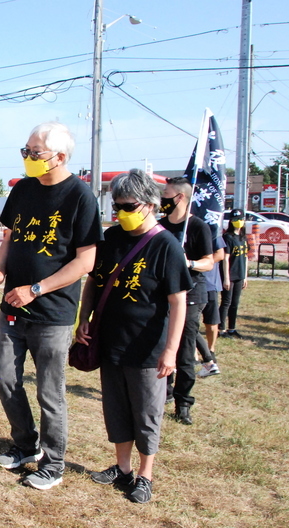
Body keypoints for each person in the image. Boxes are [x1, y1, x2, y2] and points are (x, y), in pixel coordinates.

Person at [0, 122, 102, 490]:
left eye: (36, 153)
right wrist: (0, 271)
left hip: (53, 313)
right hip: (12, 307)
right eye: (26, 151)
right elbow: (10, 238)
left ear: (60, 157)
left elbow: (86, 262)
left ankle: (54, 461)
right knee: (4, 378)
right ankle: (25, 444)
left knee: (49, 391)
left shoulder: (80, 197)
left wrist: (36, 289)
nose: (28, 158)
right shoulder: (23, 190)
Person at [76, 169, 191, 504]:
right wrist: (84, 319)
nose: (120, 212)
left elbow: (178, 301)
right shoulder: (111, 240)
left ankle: (145, 475)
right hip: (110, 342)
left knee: (147, 413)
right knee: (116, 410)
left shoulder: (166, 246)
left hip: (147, 348)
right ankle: (122, 468)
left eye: (128, 206)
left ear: (150, 205)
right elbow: (94, 281)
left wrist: (170, 351)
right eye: (116, 205)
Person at [159, 176, 213, 425]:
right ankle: (163, 393)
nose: (162, 200)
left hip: (190, 295)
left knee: (183, 351)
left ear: (180, 197)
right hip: (161, 297)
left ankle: (183, 402)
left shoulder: (198, 226)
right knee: (161, 347)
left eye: (166, 195)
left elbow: (209, 261)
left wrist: (188, 262)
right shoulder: (160, 226)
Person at [196, 235, 227, 378]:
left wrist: (200, 264)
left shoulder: (211, 232)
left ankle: (210, 351)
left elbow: (220, 254)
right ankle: (195, 354)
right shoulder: (188, 232)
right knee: (191, 323)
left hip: (210, 285)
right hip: (194, 285)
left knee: (212, 323)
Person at [220, 208, 248, 337]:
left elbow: (246, 257)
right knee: (226, 302)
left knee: (235, 303)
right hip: (230, 274)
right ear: (231, 221)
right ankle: (221, 329)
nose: (238, 222)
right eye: (236, 219)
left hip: (240, 274)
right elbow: (225, 258)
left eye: (240, 219)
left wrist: (245, 277)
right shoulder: (228, 237)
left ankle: (232, 328)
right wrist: (226, 278)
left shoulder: (243, 237)